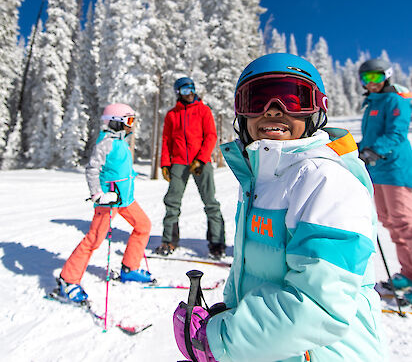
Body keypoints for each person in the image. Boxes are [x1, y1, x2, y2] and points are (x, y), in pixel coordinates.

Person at [173, 53, 385, 362]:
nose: (273, 110)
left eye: (293, 98)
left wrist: (217, 340)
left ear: (317, 109)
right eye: (256, 100)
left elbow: (317, 308)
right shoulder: (263, 181)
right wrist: (235, 314)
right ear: (240, 114)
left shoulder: (326, 181)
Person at [56, 103, 153, 303]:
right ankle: (68, 280)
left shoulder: (121, 142)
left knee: (143, 226)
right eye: (129, 121)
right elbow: (92, 170)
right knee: (94, 240)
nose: (131, 126)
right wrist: (98, 194)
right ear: (117, 122)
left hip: (125, 200)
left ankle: (129, 268)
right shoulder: (106, 143)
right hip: (109, 202)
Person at [358, 57, 412, 301]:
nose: (371, 83)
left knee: (403, 224)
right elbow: (370, 138)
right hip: (377, 170)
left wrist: (374, 150)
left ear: (386, 75)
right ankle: (407, 274)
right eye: (366, 78)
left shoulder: (394, 100)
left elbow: (397, 133)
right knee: (389, 222)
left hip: (395, 170)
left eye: (376, 77)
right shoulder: (371, 104)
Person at [155, 77, 225, 259]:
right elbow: (166, 140)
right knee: (172, 202)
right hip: (179, 161)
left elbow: (211, 136)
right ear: (178, 93)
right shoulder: (172, 114)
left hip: (201, 162)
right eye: (185, 90)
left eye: (192, 88)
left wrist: (201, 160)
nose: (190, 93)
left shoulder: (204, 110)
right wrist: (165, 163)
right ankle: (169, 240)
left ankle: (217, 243)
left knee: (210, 202)